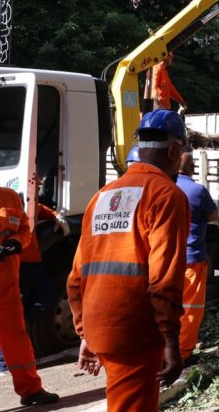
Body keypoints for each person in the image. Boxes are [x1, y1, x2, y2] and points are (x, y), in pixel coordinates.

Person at [67, 110, 190, 411]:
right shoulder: (166, 195)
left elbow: (77, 276)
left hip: (101, 326)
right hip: (135, 331)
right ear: (174, 151)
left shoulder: (102, 196)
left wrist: (86, 332)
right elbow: (164, 278)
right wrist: (171, 341)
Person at [0, 141, 59, 406]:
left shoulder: (9, 197)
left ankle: (31, 390)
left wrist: (16, 243)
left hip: (5, 287)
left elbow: (24, 227)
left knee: (17, 344)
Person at [0, 198, 70, 372]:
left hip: (33, 264)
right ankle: (4, 364)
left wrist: (55, 215)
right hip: (17, 266)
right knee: (7, 317)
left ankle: (19, 332)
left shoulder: (24, 204)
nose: (39, 183)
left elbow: (40, 208)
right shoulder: (1, 208)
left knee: (45, 300)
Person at [175, 147, 219, 362]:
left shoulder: (163, 186)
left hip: (166, 259)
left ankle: (166, 351)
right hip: (192, 258)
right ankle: (183, 353)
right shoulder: (197, 191)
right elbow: (213, 215)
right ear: (192, 167)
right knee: (191, 309)